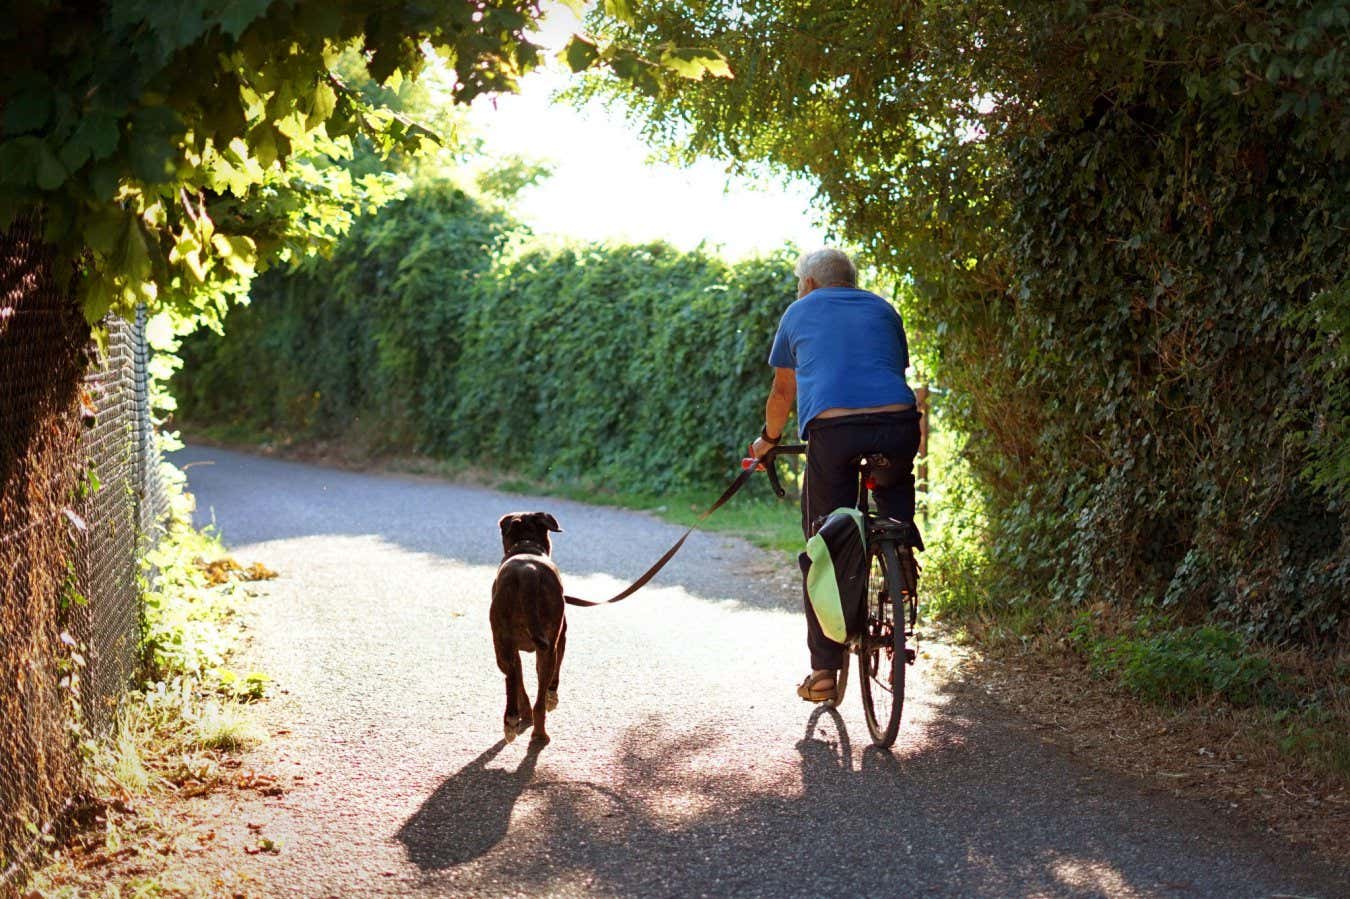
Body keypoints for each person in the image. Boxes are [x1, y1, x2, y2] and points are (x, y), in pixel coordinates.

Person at [747, 248, 921, 703]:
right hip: (899, 424)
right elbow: (889, 372)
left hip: (834, 432)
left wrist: (768, 440)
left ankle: (824, 671)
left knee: (822, 546)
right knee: (893, 484)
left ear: (808, 283)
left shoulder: (799, 311)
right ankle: (899, 545)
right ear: (852, 279)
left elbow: (784, 389)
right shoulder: (884, 309)